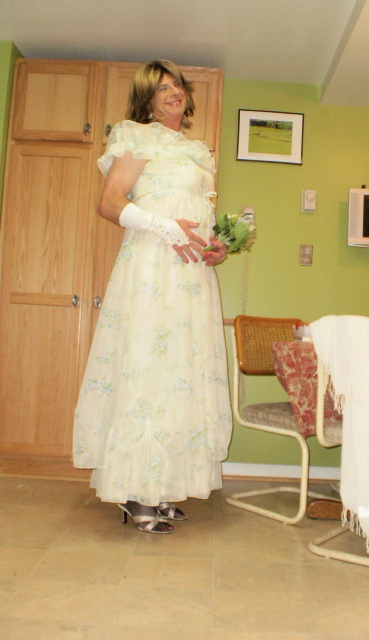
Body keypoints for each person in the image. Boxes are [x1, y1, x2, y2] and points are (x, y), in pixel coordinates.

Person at [73, 60, 232, 533]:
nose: (173, 92)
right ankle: (134, 489)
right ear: (147, 98)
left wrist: (215, 245)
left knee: (181, 371)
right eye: (161, 88)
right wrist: (165, 227)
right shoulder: (136, 136)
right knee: (147, 365)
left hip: (191, 277)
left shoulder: (199, 152)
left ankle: (161, 486)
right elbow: (109, 202)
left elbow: (197, 215)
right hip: (151, 270)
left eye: (177, 84)